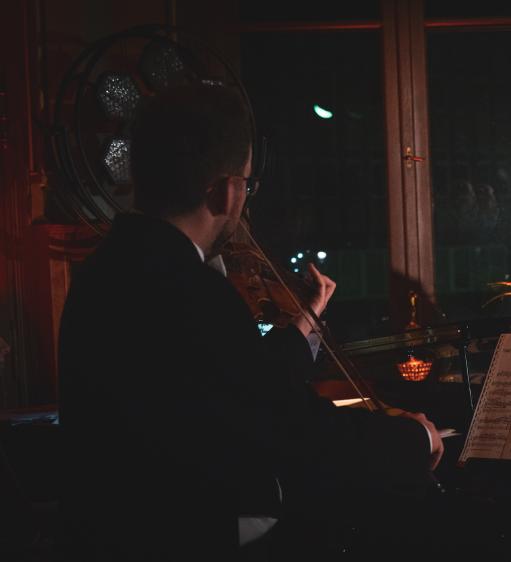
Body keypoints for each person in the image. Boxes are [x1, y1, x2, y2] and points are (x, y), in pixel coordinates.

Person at [58, 84, 443, 561]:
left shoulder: (101, 271)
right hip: (182, 536)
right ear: (225, 191)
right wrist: (411, 437)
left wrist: (304, 323)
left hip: (106, 533)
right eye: (246, 184)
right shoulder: (191, 286)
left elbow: (242, 382)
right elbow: (290, 426)